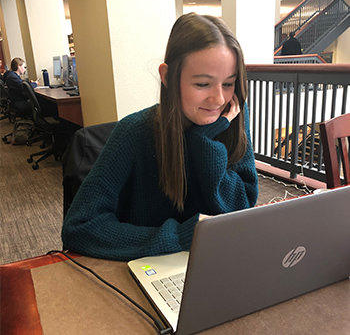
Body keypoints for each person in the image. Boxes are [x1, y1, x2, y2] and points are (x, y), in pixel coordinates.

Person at [61, 13, 259, 261]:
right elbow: (79, 227)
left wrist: (206, 141)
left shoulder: (232, 118)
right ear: (167, 77)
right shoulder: (133, 132)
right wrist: (182, 236)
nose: (219, 99)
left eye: (228, 84)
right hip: (150, 268)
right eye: (202, 84)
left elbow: (241, 208)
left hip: (216, 263)